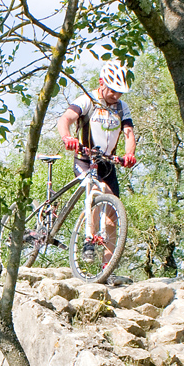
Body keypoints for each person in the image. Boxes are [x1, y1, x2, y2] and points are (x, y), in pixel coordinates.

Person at [56, 61, 136, 260]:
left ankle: (107, 267)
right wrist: (67, 137)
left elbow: (128, 132)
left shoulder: (122, 107)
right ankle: (88, 240)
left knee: (112, 216)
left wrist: (129, 154)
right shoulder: (87, 100)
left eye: (120, 92)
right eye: (113, 90)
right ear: (101, 82)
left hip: (107, 164)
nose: (116, 95)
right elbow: (65, 119)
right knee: (97, 190)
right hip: (85, 160)